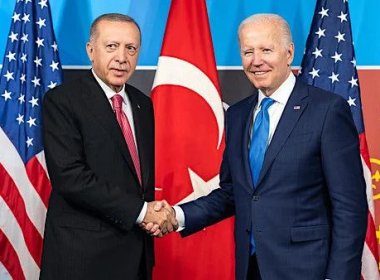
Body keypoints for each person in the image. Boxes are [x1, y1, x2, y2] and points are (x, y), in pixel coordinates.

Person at [147, 13, 368, 280]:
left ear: (288, 53)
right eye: (248, 51)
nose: (256, 61)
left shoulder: (327, 111)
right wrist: (176, 215)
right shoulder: (238, 115)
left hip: (309, 270)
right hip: (251, 268)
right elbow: (233, 193)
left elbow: (350, 207)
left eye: (266, 49)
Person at [40, 13, 176, 280]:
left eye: (131, 48)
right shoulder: (63, 101)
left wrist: (151, 214)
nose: (122, 57)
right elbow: (71, 178)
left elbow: (138, 180)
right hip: (83, 258)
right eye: (111, 46)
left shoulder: (142, 104)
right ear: (91, 50)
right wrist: (142, 212)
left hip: (135, 255)